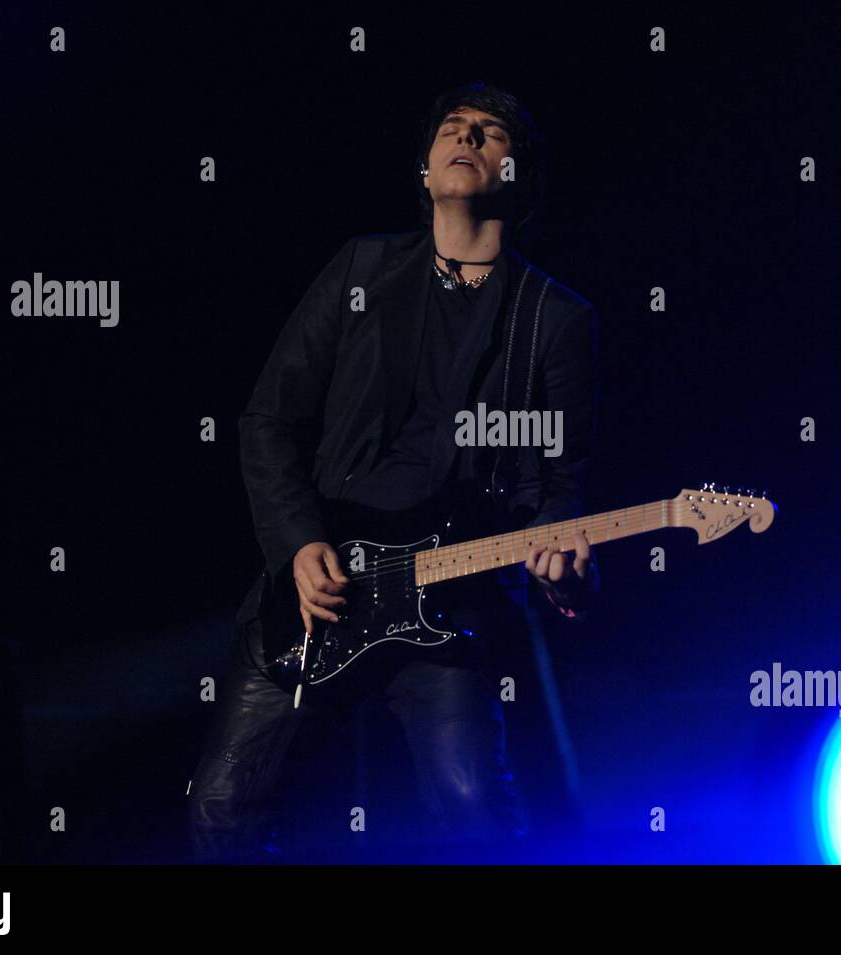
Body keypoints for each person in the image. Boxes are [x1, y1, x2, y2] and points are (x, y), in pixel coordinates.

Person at [186, 82, 600, 861]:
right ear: (424, 170)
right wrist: (297, 543)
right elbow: (267, 419)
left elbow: (557, 493)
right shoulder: (362, 270)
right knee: (219, 811)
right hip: (319, 594)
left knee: (477, 818)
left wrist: (561, 568)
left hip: (450, 599)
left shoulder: (555, 321)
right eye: (454, 127)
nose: (468, 138)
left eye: (492, 134)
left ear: (521, 179)